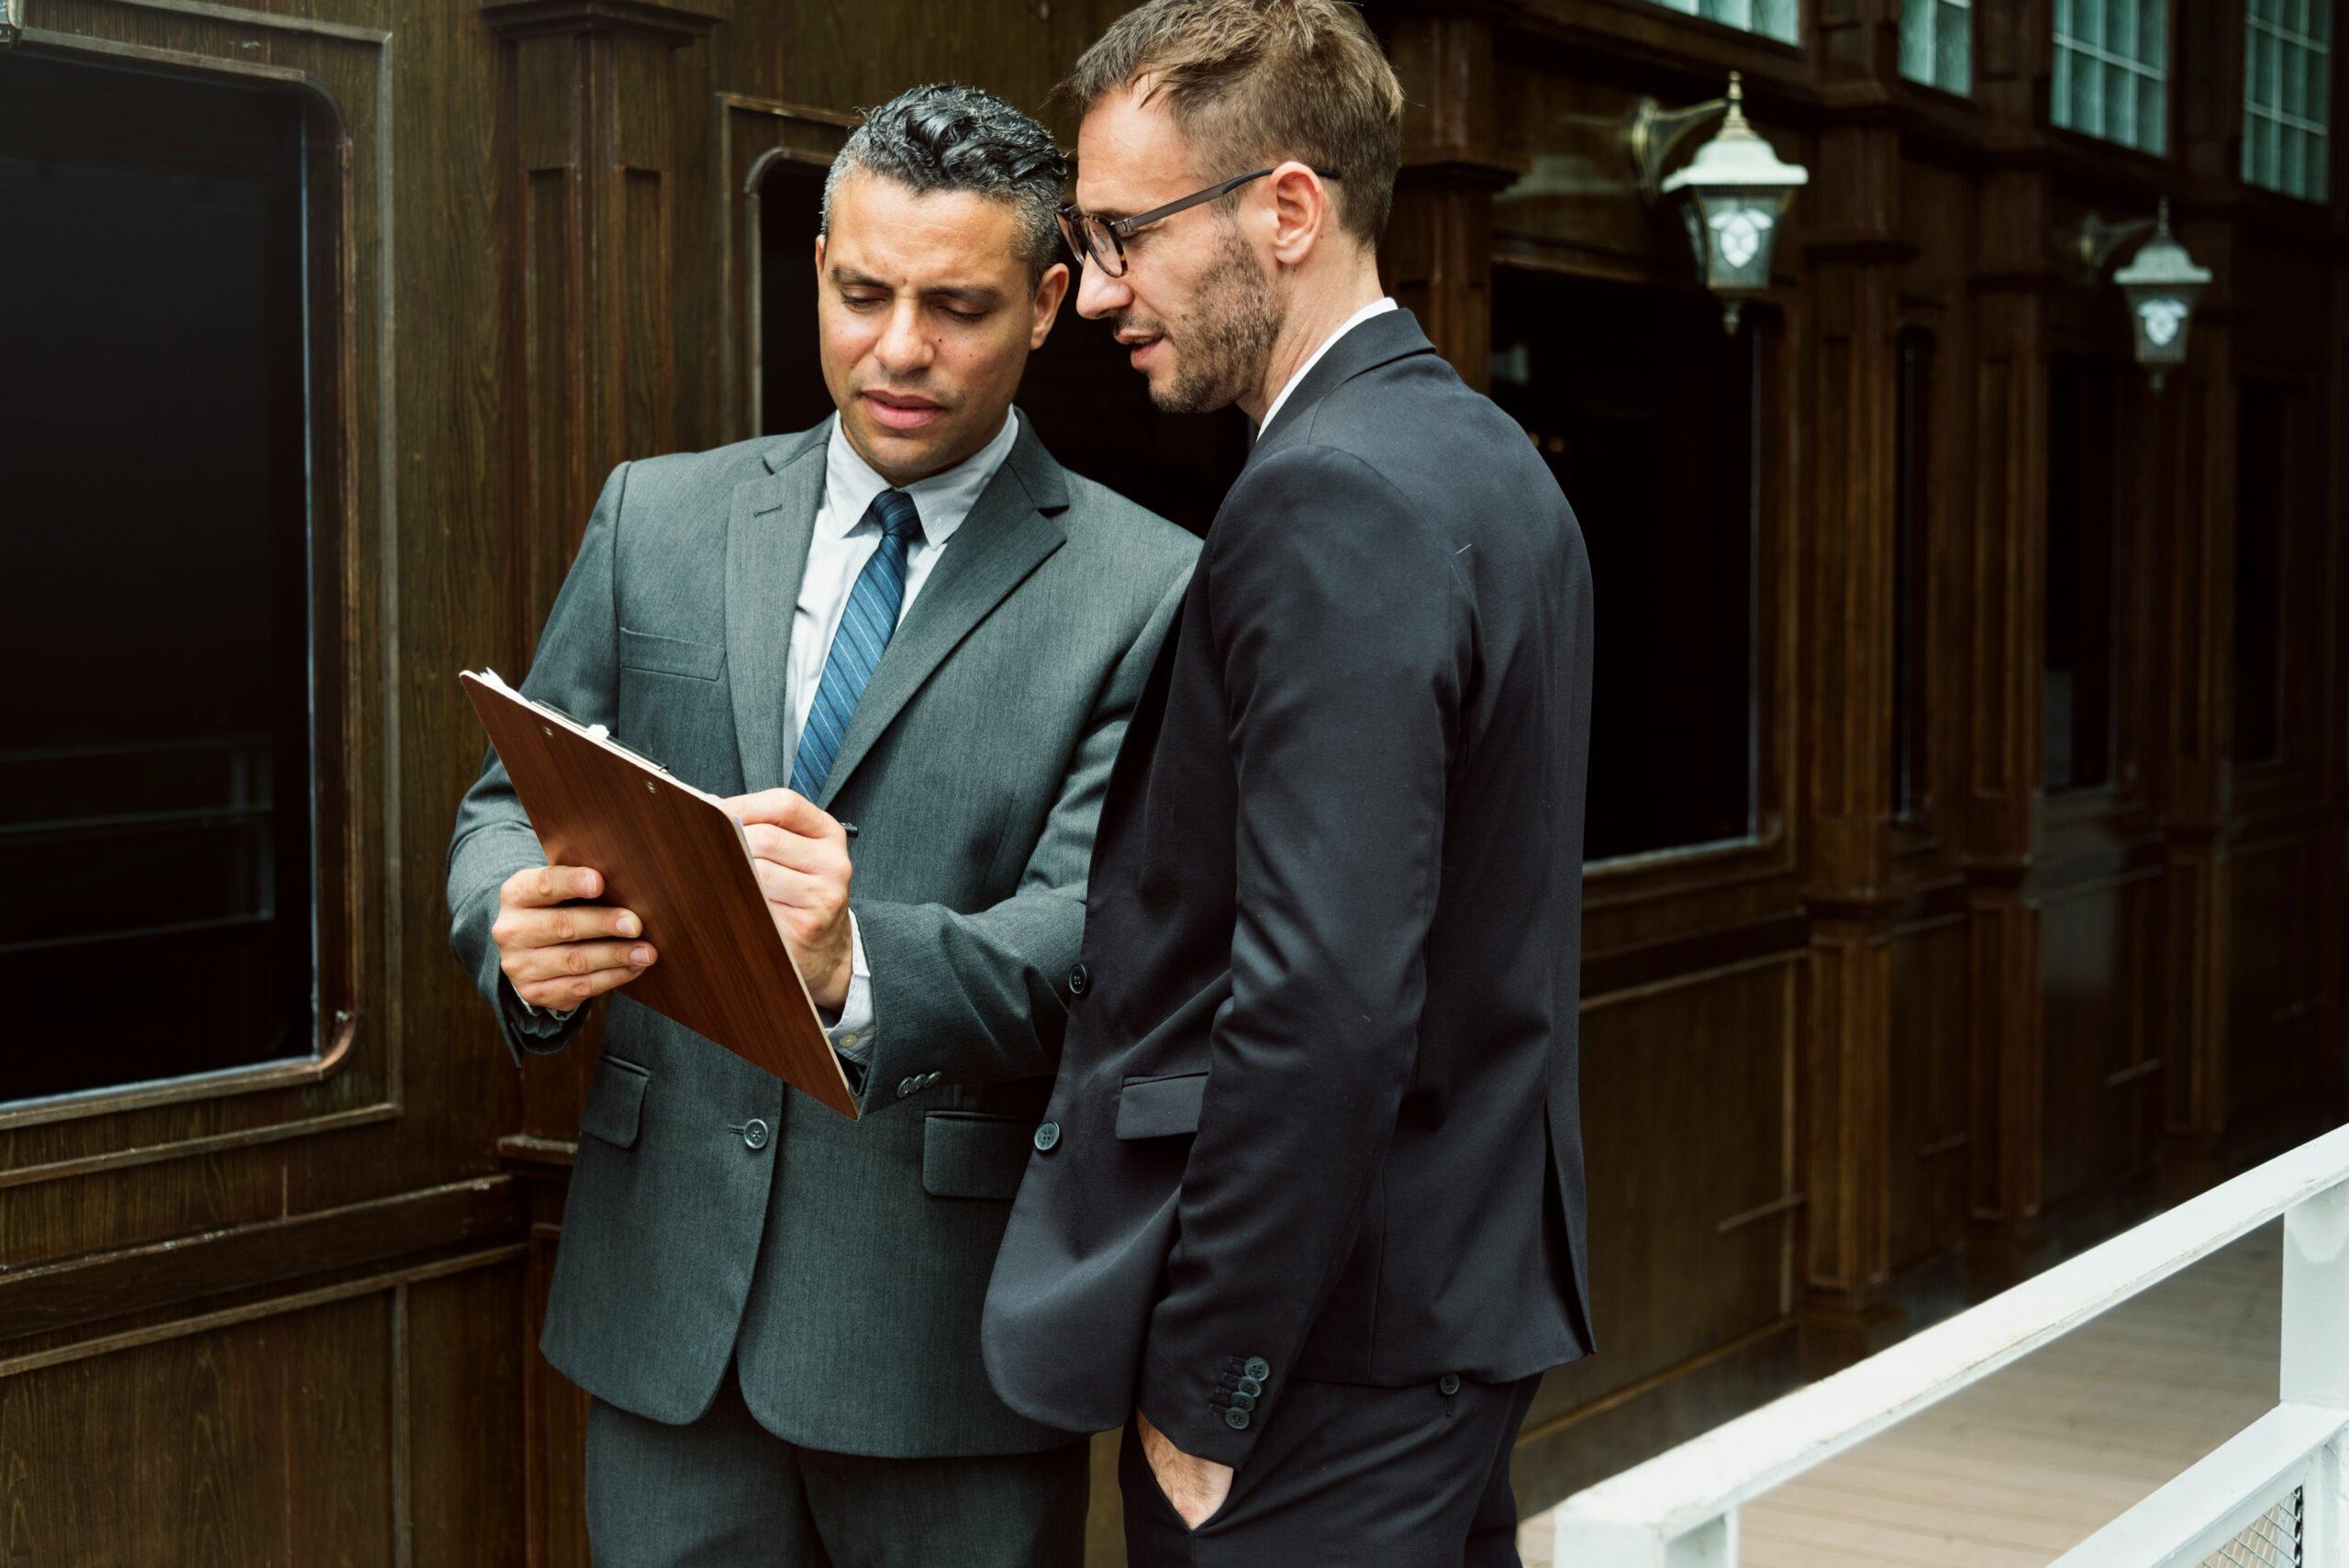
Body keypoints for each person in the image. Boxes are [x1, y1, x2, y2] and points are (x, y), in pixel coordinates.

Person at [446, 83, 1197, 1568]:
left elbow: (1104, 942)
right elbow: (499, 811)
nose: (900, 347)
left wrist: (861, 963)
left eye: (958, 306)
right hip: (664, 1315)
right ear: (817, 272)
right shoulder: (652, 516)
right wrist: (513, 928)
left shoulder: (1154, 585)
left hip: (943, 1343)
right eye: (862, 293)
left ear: (1050, 303)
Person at [982, 5, 1598, 1562]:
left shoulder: (1331, 493)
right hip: (1440, 1308)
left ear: (1290, 208)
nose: (1100, 290)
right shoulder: (1485, 456)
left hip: (1329, 1360)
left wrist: (1210, 1385)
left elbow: (1324, 993)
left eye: (1126, 233)